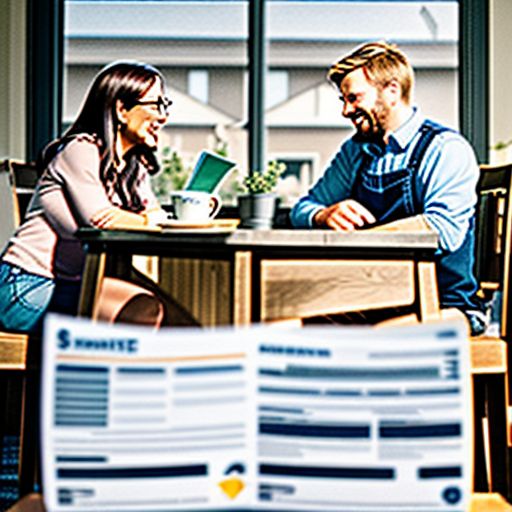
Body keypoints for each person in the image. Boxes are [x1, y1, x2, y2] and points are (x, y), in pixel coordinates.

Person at [290, 41, 487, 335]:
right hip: (373, 297)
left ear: (392, 91)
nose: (346, 110)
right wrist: (323, 215)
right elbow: (300, 210)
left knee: (374, 337)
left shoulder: (446, 149)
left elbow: (443, 230)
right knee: (288, 322)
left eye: (354, 98)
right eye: (343, 100)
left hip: (445, 305)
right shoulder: (356, 152)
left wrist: (362, 241)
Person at [0, 60, 175, 333]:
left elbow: (154, 216)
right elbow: (99, 220)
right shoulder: (80, 150)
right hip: (24, 285)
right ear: (121, 109)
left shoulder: (133, 167)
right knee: (143, 309)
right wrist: (143, 220)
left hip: (72, 283)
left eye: (165, 106)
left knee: (176, 308)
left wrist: (138, 218)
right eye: (155, 105)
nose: (163, 117)